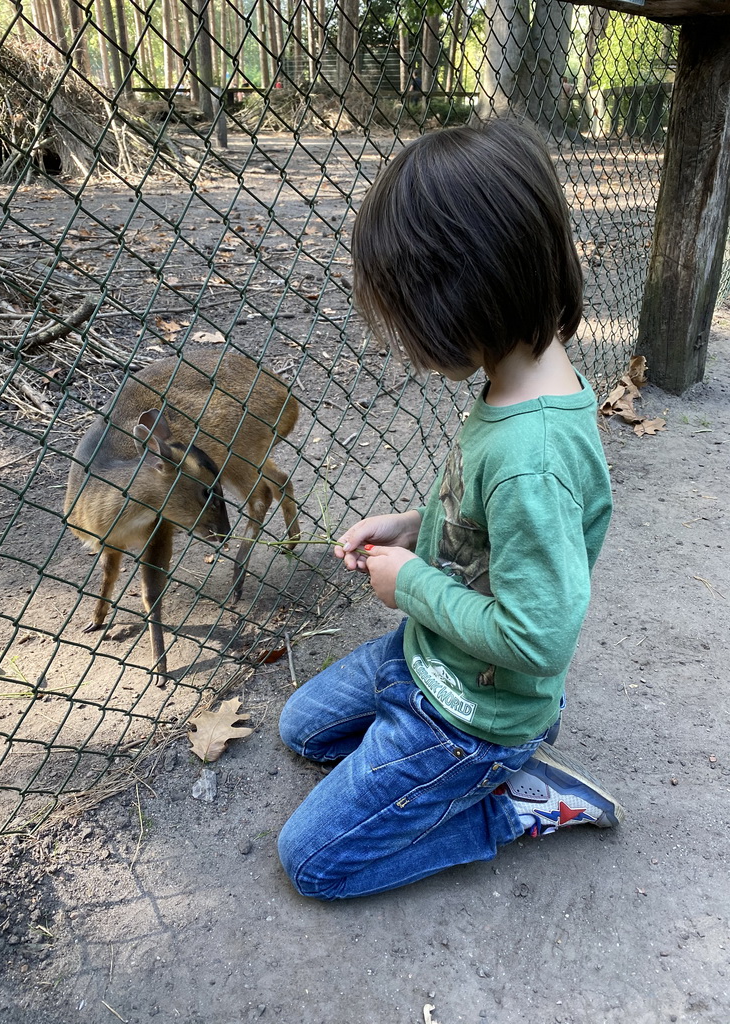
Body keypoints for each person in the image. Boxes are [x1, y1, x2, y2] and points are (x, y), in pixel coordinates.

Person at [277, 118, 624, 901]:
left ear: (462, 290)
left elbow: (537, 638)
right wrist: (410, 528)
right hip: (424, 658)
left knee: (313, 862)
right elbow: (487, 529)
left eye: (404, 314)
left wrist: (411, 587)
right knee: (302, 729)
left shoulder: (531, 458)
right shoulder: (518, 387)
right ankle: (420, 775)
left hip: (473, 716)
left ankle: (506, 805)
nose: (403, 339)